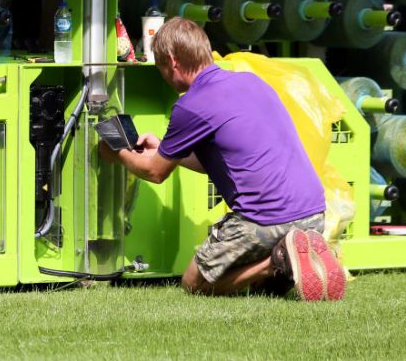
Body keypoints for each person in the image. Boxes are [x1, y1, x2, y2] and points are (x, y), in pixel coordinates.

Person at [99, 17, 346, 301]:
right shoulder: (252, 82)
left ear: (173, 61)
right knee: (252, 285)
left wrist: (117, 152)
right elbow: (232, 161)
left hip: (264, 219)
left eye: (160, 67)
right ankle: (297, 258)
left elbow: (155, 173)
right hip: (313, 214)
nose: (163, 76)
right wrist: (170, 153)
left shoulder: (191, 104)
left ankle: (278, 263)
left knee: (194, 284)